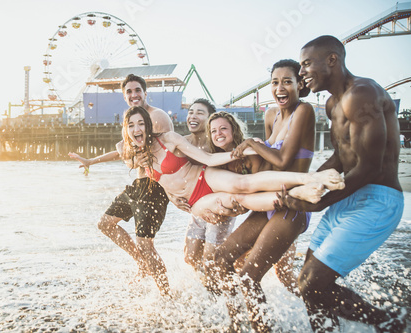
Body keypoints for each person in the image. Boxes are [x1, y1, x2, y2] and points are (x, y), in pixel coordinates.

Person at [275, 35, 405, 333]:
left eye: (307, 64)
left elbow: (369, 167)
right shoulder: (333, 103)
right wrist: (306, 183)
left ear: (332, 60)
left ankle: (391, 321)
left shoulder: (362, 94)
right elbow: (341, 157)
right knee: (306, 281)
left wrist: (317, 202)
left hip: (377, 199)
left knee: (312, 284)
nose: (301, 72)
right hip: (348, 195)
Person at [210, 59, 317, 331]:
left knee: (248, 276)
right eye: (274, 82)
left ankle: (263, 329)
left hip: (290, 207)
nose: (280, 88)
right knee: (221, 259)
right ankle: (237, 324)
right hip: (266, 203)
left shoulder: (303, 111)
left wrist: (251, 143)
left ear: (300, 84)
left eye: (287, 82)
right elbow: (266, 166)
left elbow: (282, 160)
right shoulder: (271, 115)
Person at [122, 105, 344, 222]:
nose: (137, 129)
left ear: (148, 125)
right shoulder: (136, 159)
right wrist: (172, 197)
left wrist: (241, 152)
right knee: (238, 199)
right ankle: (295, 195)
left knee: (244, 184)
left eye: (141, 123)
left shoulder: (168, 139)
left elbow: (208, 159)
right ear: (127, 130)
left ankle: (312, 178)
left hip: (203, 175)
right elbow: (162, 183)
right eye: (131, 126)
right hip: (194, 201)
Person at [69, 74, 174, 296]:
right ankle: (142, 263)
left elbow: (172, 154)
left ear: (146, 93)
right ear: (124, 95)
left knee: (146, 245)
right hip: (137, 185)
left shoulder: (158, 117)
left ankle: (167, 295)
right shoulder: (132, 119)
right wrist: (91, 161)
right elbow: (124, 153)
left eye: (138, 90)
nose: (134, 95)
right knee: (105, 224)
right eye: (129, 91)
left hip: (155, 188)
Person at [180, 99, 237, 272]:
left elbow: (237, 177)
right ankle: (206, 290)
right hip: (198, 206)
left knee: (212, 260)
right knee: (190, 256)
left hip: (219, 205)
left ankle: (225, 291)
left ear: (210, 118)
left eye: (199, 112)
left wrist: (226, 210)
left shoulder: (217, 144)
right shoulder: (182, 143)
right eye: (191, 111)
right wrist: (175, 198)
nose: (193, 116)